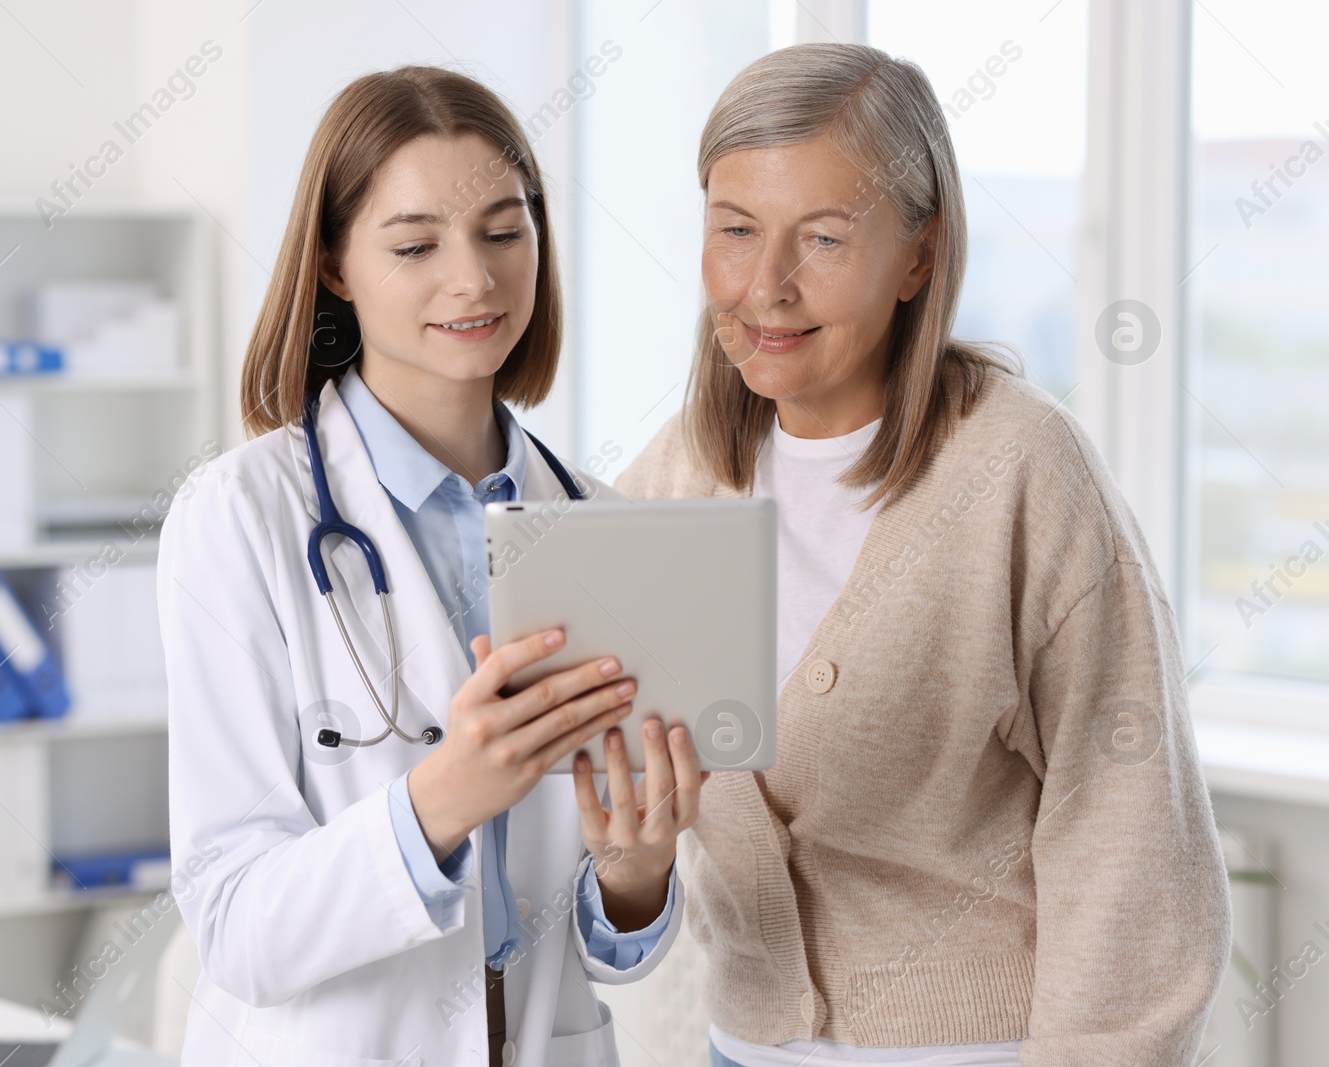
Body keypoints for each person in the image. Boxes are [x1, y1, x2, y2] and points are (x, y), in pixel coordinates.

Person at [616, 43, 1230, 1067]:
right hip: (743, 1043)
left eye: (820, 236)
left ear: (917, 254)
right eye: (734, 231)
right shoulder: (672, 471)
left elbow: (1125, 827)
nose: (765, 285)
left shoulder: (1021, 464)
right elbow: (615, 818)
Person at [158, 65, 706, 1067]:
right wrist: (442, 795)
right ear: (332, 265)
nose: (475, 279)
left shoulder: (602, 524)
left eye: (504, 232)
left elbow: (608, 943)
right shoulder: (237, 518)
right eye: (415, 244)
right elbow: (234, 922)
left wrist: (635, 870)